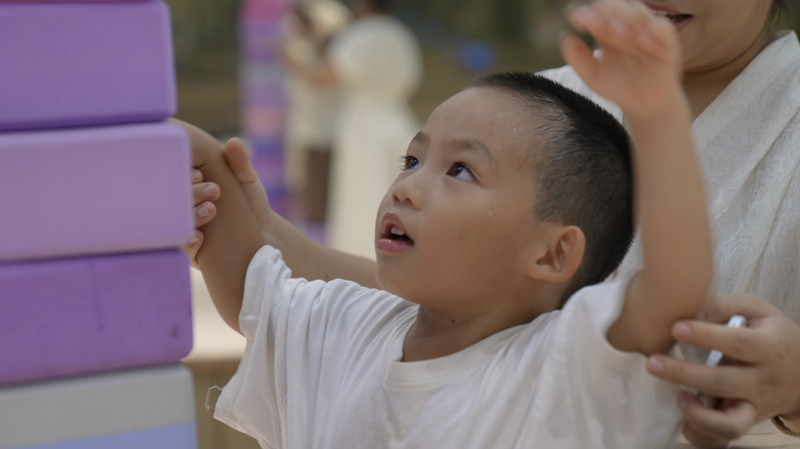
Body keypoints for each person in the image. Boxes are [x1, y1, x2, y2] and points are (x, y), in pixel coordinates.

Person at [185, 0, 800, 446]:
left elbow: (671, 290)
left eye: (459, 172)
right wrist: (201, 179)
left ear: (556, 254)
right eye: (413, 159)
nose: (409, 185)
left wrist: (657, 115)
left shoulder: (571, 360)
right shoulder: (535, 108)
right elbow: (267, 285)